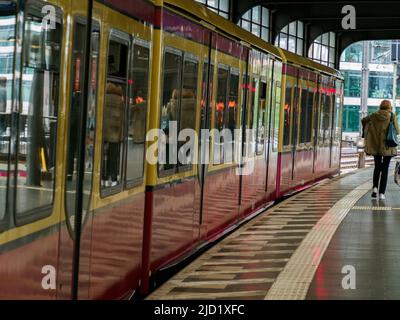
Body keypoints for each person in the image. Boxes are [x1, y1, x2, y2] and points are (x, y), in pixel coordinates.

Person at [361, 99, 400, 200]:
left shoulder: (374, 115)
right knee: (385, 169)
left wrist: (366, 131)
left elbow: (363, 120)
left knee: (377, 167)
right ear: (389, 107)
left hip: (376, 145)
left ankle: (374, 188)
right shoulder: (392, 115)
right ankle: (382, 193)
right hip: (388, 146)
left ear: (380, 106)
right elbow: (398, 130)